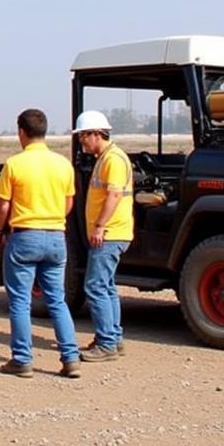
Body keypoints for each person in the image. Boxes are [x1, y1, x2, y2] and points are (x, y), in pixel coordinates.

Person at [0, 108, 81, 379]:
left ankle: (22, 359)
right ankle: (70, 358)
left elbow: (3, 204)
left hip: (25, 236)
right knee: (57, 300)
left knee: (20, 301)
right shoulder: (63, 164)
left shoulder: (15, 164)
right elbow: (68, 202)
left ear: (22, 131)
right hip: (56, 237)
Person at [73, 109, 134, 362]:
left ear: (96, 134)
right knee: (106, 286)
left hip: (110, 233)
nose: (81, 141)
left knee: (96, 285)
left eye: (83, 136)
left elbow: (114, 195)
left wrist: (99, 226)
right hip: (111, 231)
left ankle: (107, 343)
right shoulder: (106, 158)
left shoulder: (114, 160)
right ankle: (112, 337)